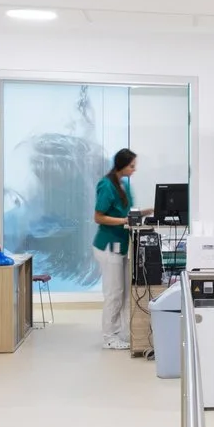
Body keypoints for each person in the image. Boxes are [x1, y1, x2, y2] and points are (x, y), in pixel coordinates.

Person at [93, 148, 140, 350]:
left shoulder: (124, 185)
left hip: (121, 245)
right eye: (132, 166)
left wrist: (146, 212)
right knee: (114, 292)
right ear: (122, 165)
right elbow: (99, 216)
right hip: (108, 245)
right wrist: (123, 220)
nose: (134, 169)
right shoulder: (106, 185)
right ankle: (109, 336)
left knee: (124, 292)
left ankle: (122, 331)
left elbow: (127, 212)